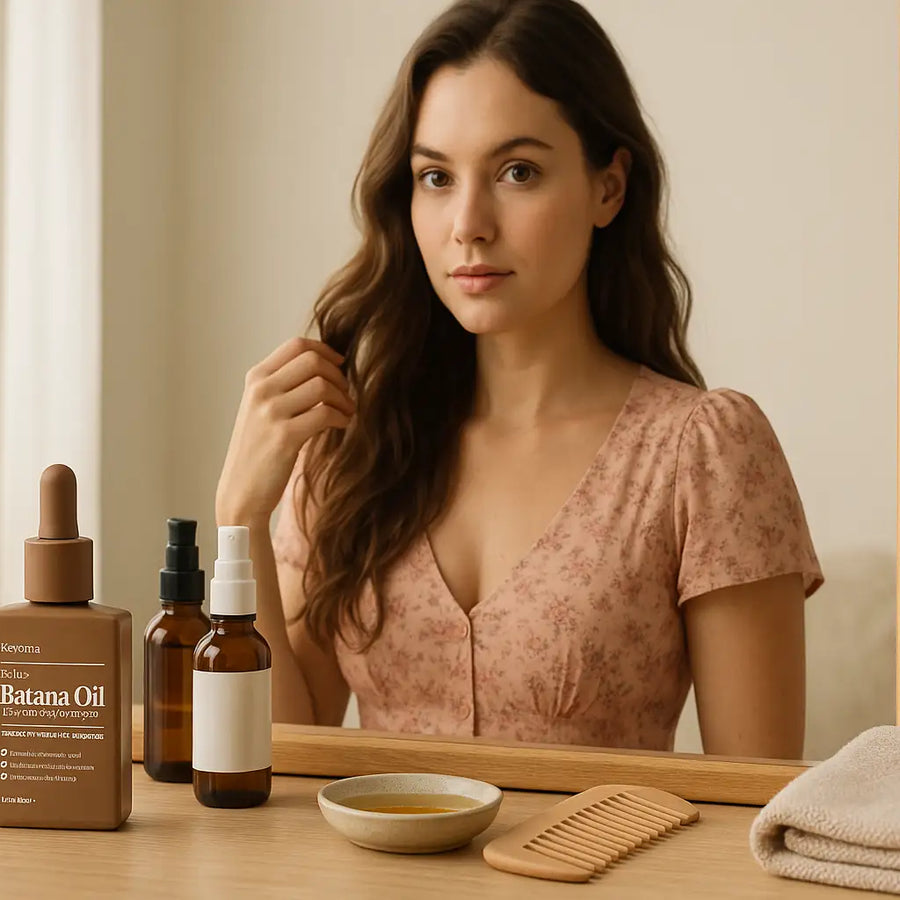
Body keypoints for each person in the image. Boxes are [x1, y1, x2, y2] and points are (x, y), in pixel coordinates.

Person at [215, 0, 823, 756]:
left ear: (609, 187)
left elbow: (753, 809)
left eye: (517, 172)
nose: (468, 221)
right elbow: (284, 755)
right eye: (435, 177)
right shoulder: (351, 450)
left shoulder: (703, 455)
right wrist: (241, 516)